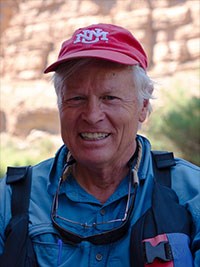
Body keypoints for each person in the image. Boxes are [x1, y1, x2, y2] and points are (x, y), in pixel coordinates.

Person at [0, 23, 199, 267]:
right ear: (60, 106)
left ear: (143, 107)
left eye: (109, 98)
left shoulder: (190, 193)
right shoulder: (11, 199)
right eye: (76, 98)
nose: (92, 115)